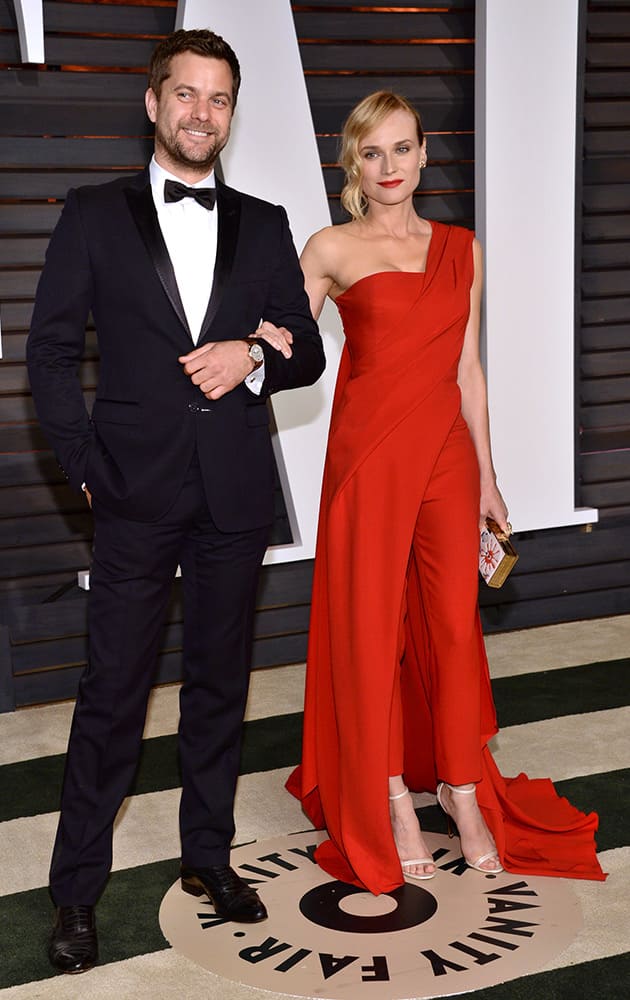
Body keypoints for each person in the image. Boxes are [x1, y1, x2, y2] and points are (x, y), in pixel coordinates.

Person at [27, 28, 325, 974]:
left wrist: (254, 355)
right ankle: (76, 891)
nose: (203, 112)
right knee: (111, 696)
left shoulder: (267, 222)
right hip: (131, 494)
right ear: (154, 103)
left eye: (220, 98)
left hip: (234, 492)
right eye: (187, 94)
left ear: (233, 113)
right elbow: (44, 353)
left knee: (219, 688)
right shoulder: (91, 213)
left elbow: (309, 352)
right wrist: (81, 461)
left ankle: (208, 857)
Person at [287, 91, 605, 894]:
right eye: (372, 153)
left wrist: (490, 475)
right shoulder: (328, 247)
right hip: (367, 463)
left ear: (426, 153)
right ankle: (392, 794)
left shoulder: (463, 248)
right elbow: (285, 346)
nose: (389, 167)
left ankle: (462, 792)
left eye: (402, 149)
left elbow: (466, 368)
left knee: (456, 631)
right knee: (372, 636)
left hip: (446, 462)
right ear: (352, 163)